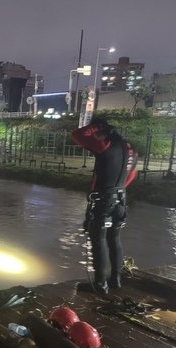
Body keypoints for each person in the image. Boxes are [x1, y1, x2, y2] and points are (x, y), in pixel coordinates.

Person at [72, 117, 137, 295]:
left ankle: (100, 285)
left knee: (98, 241)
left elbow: (77, 135)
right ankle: (115, 280)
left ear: (101, 132)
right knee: (114, 239)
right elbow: (131, 175)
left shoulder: (105, 144)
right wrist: (117, 190)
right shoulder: (130, 148)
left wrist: (95, 128)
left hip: (104, 201)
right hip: (121, 200)